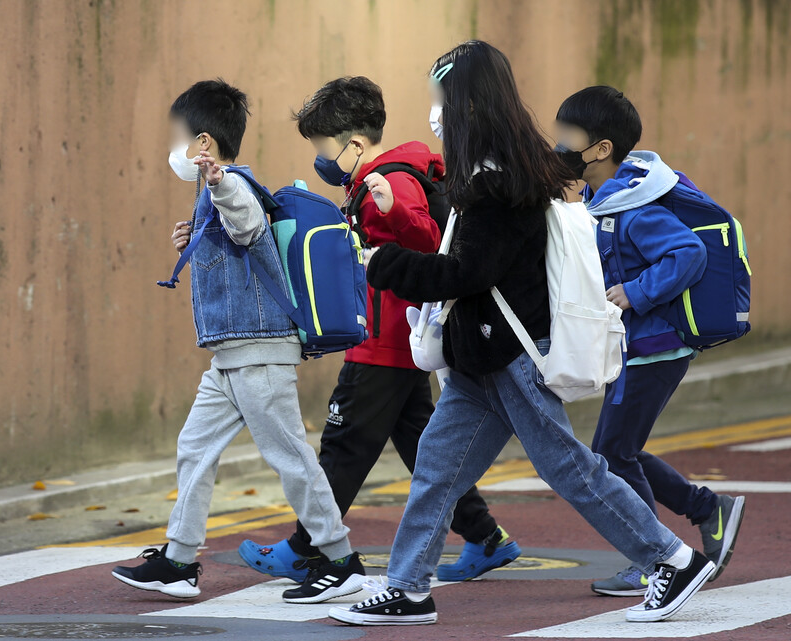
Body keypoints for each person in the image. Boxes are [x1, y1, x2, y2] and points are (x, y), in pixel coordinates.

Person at [328, 41, 715, 627]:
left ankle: (672, 559)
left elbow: (468, 272)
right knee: (436, 467)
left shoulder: (498, 180)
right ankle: (408, 588)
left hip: (512, 353)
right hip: (481, 355)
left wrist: (383, 263)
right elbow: (470, 257)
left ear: (467, 104)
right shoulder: (502, 168)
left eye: (440, 101)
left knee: (570, 469)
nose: (433, 114)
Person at [238, 76, 520, 586]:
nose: (322, 159)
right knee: (422, 448)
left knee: (343, 445)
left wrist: (393, 209)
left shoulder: (388, 183)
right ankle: (485, 536)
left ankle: (308, 548)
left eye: (324, 147)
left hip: (384, 339)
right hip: (398, 338)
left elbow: (434, 246)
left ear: (354, 143)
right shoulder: (379, 178)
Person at [112, 79, 365, 604]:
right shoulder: (212, 194)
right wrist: (195, 235)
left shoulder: (234, 185)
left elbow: (249, 226)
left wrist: (220, 184)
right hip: (230, 358)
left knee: (290, 458)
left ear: (203, 142)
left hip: (260, 354)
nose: (174, 148)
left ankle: (342, 561)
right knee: (195, 447)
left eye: (179, 137)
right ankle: (179, 561)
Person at [553, 85, 745, 597]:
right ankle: (707, 509)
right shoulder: (598, 199)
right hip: (632, 347)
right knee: (618, 450)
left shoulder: (636, 207)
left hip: (656, 347)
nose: (559, 145)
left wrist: (634, 292)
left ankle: (656, 558)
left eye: (568, 135)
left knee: (612, 452)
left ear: (601, 148)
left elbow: (687, 254)